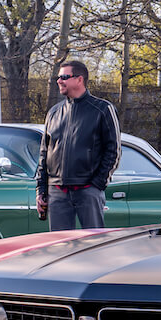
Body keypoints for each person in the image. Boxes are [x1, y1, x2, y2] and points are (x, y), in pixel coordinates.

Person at [35, 60, 121, 231]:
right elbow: (44, 154)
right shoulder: (53, 113)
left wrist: (96, 184)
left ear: (79, 80)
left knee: (94, 244)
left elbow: (113, 151)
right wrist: (41, 189)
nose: (59, 81)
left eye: (64, 77)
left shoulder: (103, 109)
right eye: (58, 77)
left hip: (88, 190)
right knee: (60, 247)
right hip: (57, 191)